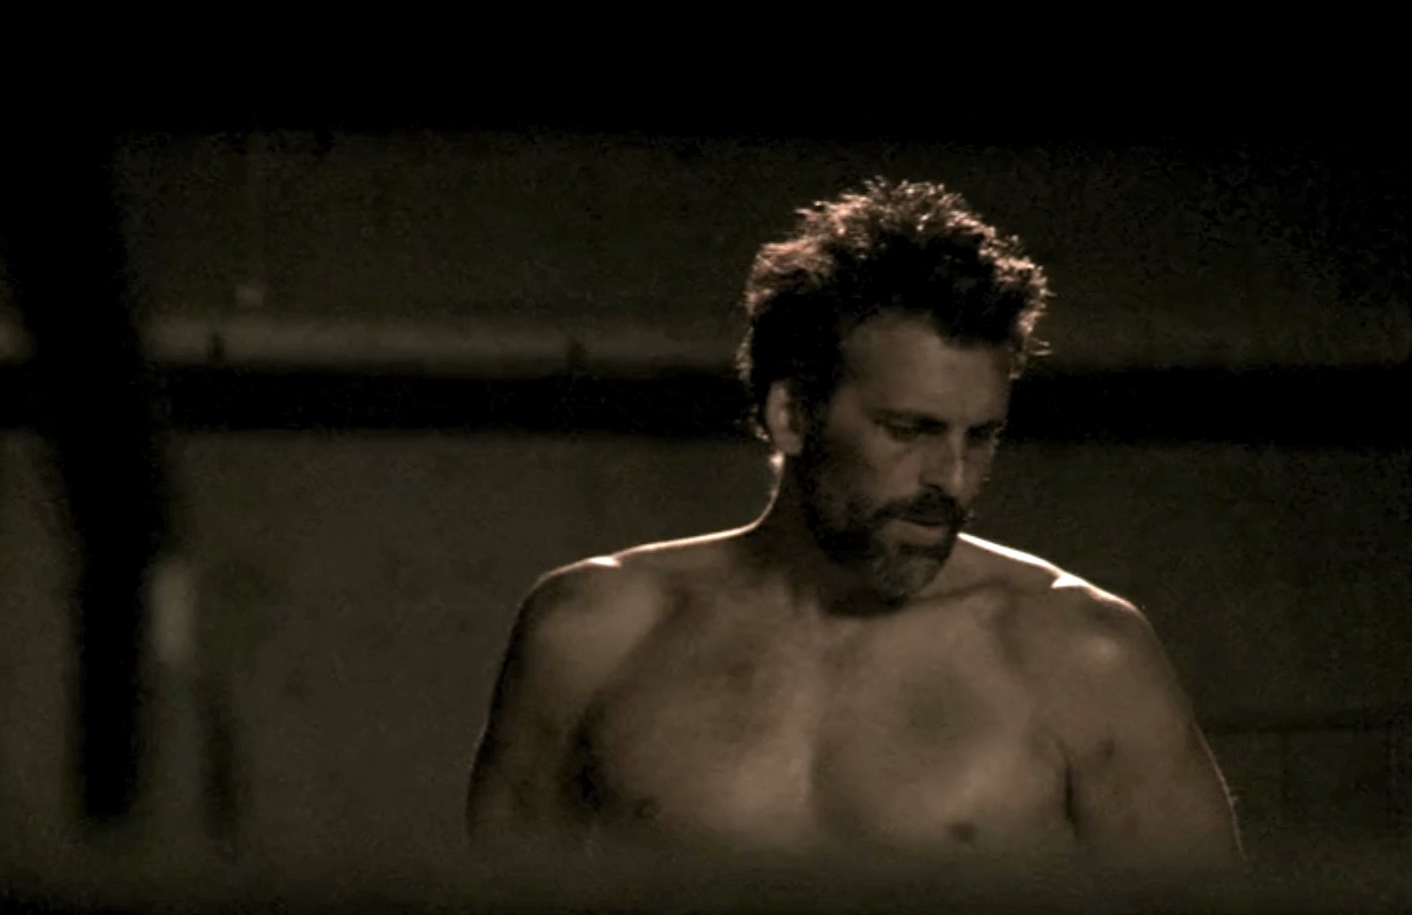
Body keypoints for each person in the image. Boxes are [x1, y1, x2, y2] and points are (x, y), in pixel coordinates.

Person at [466, 179, 1241, 874]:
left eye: (980, 436)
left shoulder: (1080, 652)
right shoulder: (593, 634)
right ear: (792, 414)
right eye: (909, 429)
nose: (952, 480)